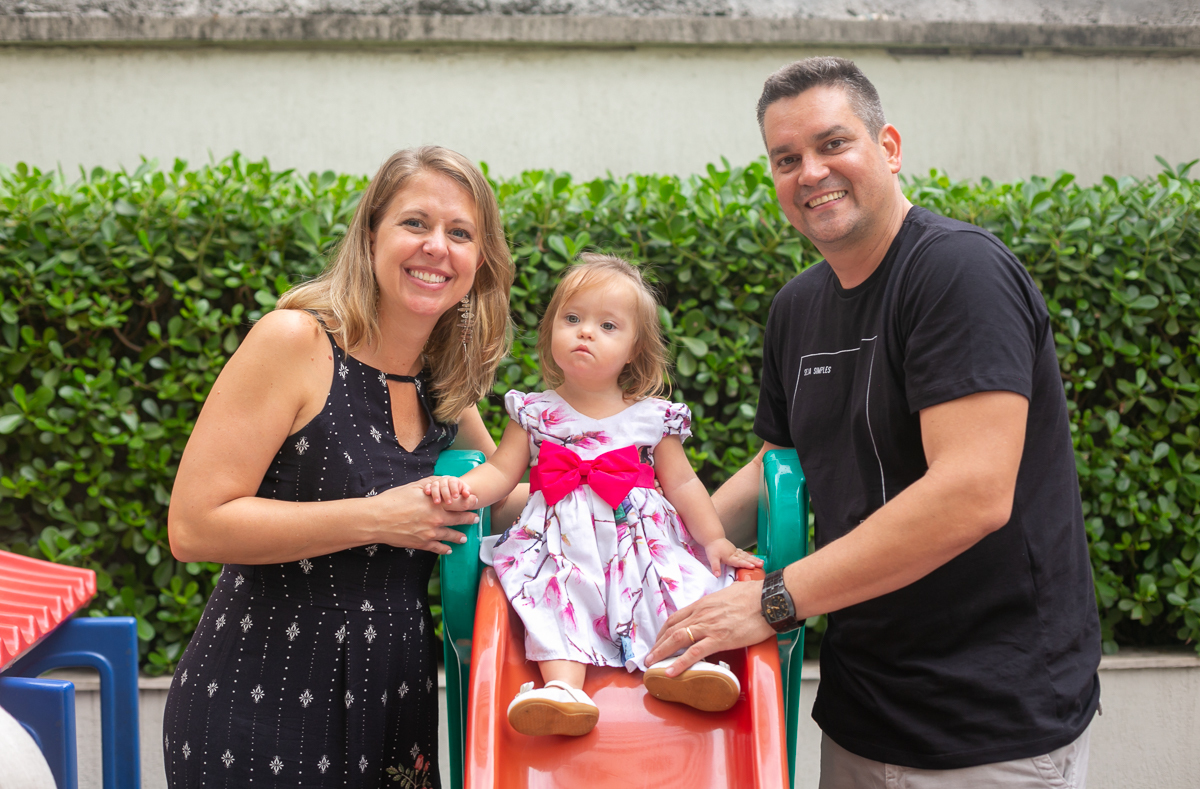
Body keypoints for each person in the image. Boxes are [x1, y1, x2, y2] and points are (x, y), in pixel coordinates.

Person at [646, 57, 1102, 787]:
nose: (811, 172)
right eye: (787, 158)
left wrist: (773, 598)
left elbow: (973, 493)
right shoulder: (798, 307)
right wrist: (628, 532)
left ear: (888, 147)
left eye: (833, 144)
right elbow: (778, 473)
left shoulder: (959, 273)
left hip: (991, 727)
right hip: (861, 716)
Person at [162, 146, 517, 789]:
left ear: (480, 262)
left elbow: (501, 502)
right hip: (259, 698)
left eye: (460, 233)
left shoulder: (446, 383)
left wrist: (621, 480)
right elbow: (194, 526)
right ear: (372, 233)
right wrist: (379, 518)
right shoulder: (294, 341)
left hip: (395, 703)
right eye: (415, 223)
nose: (437, 246)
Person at [423, 254, 762, 736]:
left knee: (668, 588)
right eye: (573, 319)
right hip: (560, 544)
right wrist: (461, 488)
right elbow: (499, 473)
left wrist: (715, 540)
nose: (585, 332)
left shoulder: (651, 417)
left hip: (640, 542)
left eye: (607, 325)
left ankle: (682, 666)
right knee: (552, 596)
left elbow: (684, 484)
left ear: (633, 349)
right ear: (551, 330)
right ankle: (563, 690)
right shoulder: (535, 413)